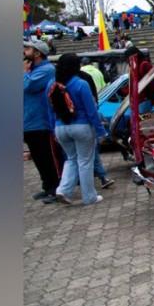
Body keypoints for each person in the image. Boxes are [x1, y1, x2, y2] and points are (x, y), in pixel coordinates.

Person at [48, 54, 107, 205]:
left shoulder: (51, 84)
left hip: (60, 127)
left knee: (71, 159)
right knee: (85, 162)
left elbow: (50, 110)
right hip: (81, 126)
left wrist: (53, 128)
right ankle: (89, 196)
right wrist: (101, 131)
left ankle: (63, 190)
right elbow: (91, 110)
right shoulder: (81, 84)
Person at [23, 40, 63, 204]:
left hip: (41, 122)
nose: (25, 51)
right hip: (29, 122)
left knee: (47, 157)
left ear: (38, 53)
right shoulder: (33, 70)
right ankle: (47, 186)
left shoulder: (46, 70)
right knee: (38, 158)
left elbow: (27, 86)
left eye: (28, 48)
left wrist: (24, 72)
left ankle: (55, 188)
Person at [76, 57, 115, 190]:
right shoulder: (95, 73)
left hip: (71, 120)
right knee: (90, 154)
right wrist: (101, 131)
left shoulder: (67, 80)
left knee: (75, 158)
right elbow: (104, 86)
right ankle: (101, 179)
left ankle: (69, 187)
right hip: (95, 103)